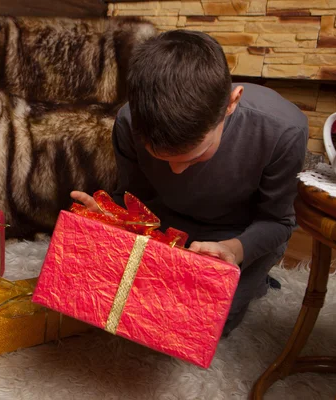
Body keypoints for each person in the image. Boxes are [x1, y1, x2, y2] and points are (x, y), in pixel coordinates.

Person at [70, 29, 308, 336]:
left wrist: (234, 250)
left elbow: (277, 222)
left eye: (195, 156)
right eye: (159, 156)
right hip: (166, 223)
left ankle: (254, 280)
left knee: (191, 329)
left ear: (231, 104)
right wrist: (112, 217)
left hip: (237, 235)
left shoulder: (282, 130)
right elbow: (135, 196)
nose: (177, 171)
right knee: (111, 308)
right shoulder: (128, 120)